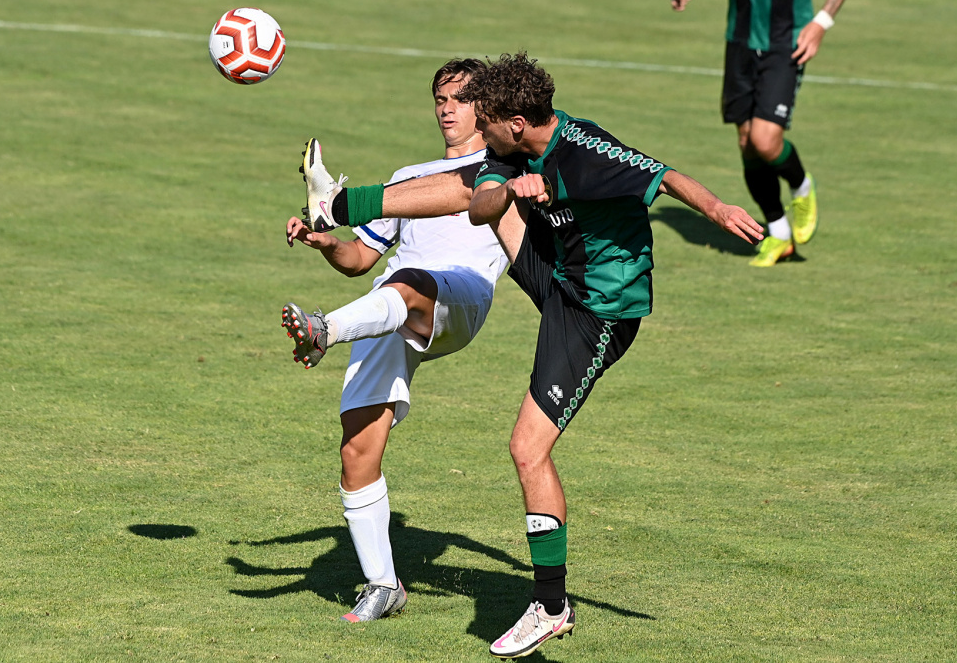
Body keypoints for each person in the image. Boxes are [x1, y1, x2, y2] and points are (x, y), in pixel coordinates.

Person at [300, 52, 762, 659]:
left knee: (527, 448)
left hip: (597, 309)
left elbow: (666, 176)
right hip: (552, 272)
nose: (475, 133)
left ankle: (550, 606)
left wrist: (719, 209)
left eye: (484, 122)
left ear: (515, 123)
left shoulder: (586, 151)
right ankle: (340, 203)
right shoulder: (508, 150)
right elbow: (474, 201)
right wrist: (505, 188)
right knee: (468, 189)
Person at [281, 58, 510, 623]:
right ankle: (383, 585)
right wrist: (322, 241)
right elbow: (360, 259)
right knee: (357, 447)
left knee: (409, 283)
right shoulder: (409, 174)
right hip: (385, 306)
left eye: (459, 98)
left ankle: (325, 330)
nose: (446, 109)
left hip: (460, 296)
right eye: (440, 98)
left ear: (487, 107)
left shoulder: (503, 166)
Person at [673, 0, 847, 266]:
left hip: (787, 41)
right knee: (747, 143)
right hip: (740, 40)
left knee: (764, 141)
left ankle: (802, 187)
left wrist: (821, 22)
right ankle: (779, 234)